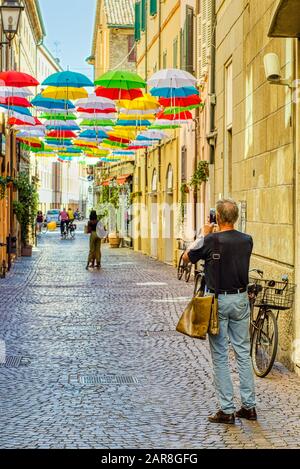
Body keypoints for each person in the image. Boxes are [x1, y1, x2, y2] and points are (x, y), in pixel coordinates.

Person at [183, 198, 256, 424]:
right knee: (243, 353)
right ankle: (249, 406)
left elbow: (187, 257)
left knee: (221, 356)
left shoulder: (211, 240)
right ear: (234, 217)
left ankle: (227, 409)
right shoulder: (247, 240)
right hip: (241, 299)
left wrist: (203, 235)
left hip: (218, 301)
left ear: (218, 218)